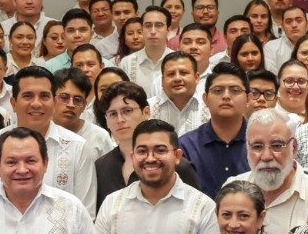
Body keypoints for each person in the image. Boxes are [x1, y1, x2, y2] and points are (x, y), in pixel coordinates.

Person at [0, 66, 96, 211]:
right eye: (28, 96)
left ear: (54, 102)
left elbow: (85, 212)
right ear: (13, 103)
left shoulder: (77, 147)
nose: (36, 104)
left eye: (44, 96)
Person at [93, 82, 202, 209]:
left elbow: (197, 207)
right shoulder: (101, 167)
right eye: (112, 114)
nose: (120, 119)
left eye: (127, 111)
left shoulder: (174, 164)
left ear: (146, 112)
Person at [228, 109, 308, 234]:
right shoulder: (232, 189)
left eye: (277, 146)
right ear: (247, 149)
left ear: (294, 148)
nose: (266, 156)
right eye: (257, 147)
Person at [179, 64, 249, 197]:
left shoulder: (263, 144)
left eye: (235, 90)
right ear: (205, 99)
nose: (226, 96)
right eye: (218, 90)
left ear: (248, 99)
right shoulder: (185, 146)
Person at [53, 68, 115, 159]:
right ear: (52, 99)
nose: (71, 105)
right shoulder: (40, 131)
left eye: (77, 100)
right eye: (64, 97)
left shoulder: (100, 137)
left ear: (84, 106)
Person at [152, 52, 207, 136]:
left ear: (196, 77)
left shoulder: (210, 107)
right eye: (171, 74)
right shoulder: (148, 108)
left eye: (183, 73)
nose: (177, 78)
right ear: (162, 80)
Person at [121, 7, 172, 96]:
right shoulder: (127, 63)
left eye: (159, 25)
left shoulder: (178, 61)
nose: (153, 31)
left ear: (168, 30)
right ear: (142, 29)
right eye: (148, 26)